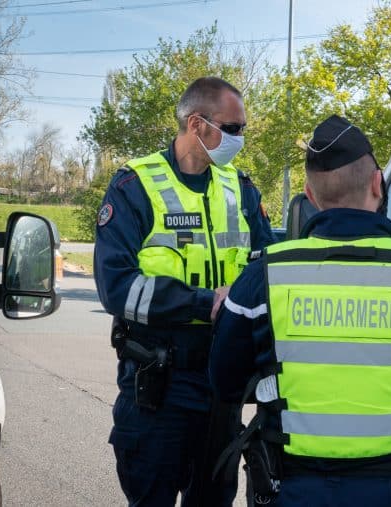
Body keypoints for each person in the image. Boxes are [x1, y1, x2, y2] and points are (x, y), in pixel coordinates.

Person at [210, 115, 391, 507]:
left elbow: (225, 383)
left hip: (291, 492)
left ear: (310, 199)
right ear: (378, 184)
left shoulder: (262, 276)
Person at [94, 76, 276, 507]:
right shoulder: (134, 186)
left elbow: (267, 265)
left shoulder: (241, 189)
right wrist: (203, 302)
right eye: (233, 129)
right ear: (196, 125)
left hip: (222, 383)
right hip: (160, 386)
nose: (240, 139)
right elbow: (116, 287)